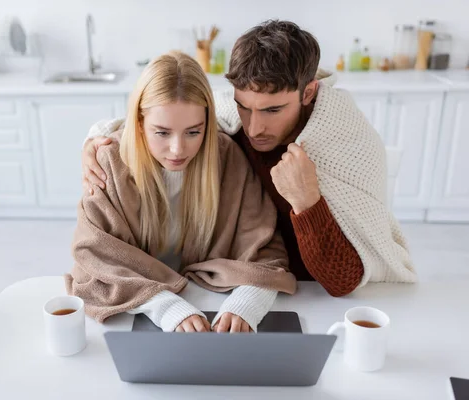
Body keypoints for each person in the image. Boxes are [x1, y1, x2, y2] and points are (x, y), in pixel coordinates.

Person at [82, 20, 417, 297]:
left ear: (309, 92)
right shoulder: (232, 111)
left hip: (310, 293)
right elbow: (167, 115)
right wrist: (96, 138)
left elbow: (342, 281)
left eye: (273, 110)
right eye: (245, 106)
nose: (254, 127)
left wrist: (307, 200)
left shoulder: (348, 140)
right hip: (239, 280)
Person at [65, 51, 297, 333]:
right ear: (138, 123)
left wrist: (246, 304)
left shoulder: (227, 157)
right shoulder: (109, 162)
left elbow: (264, 249)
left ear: (208, 124)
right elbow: (94, 255)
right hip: (138, 312)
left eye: (193, 132)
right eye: (162, 133)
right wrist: (165, 307)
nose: (178, 150)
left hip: (210, 301)